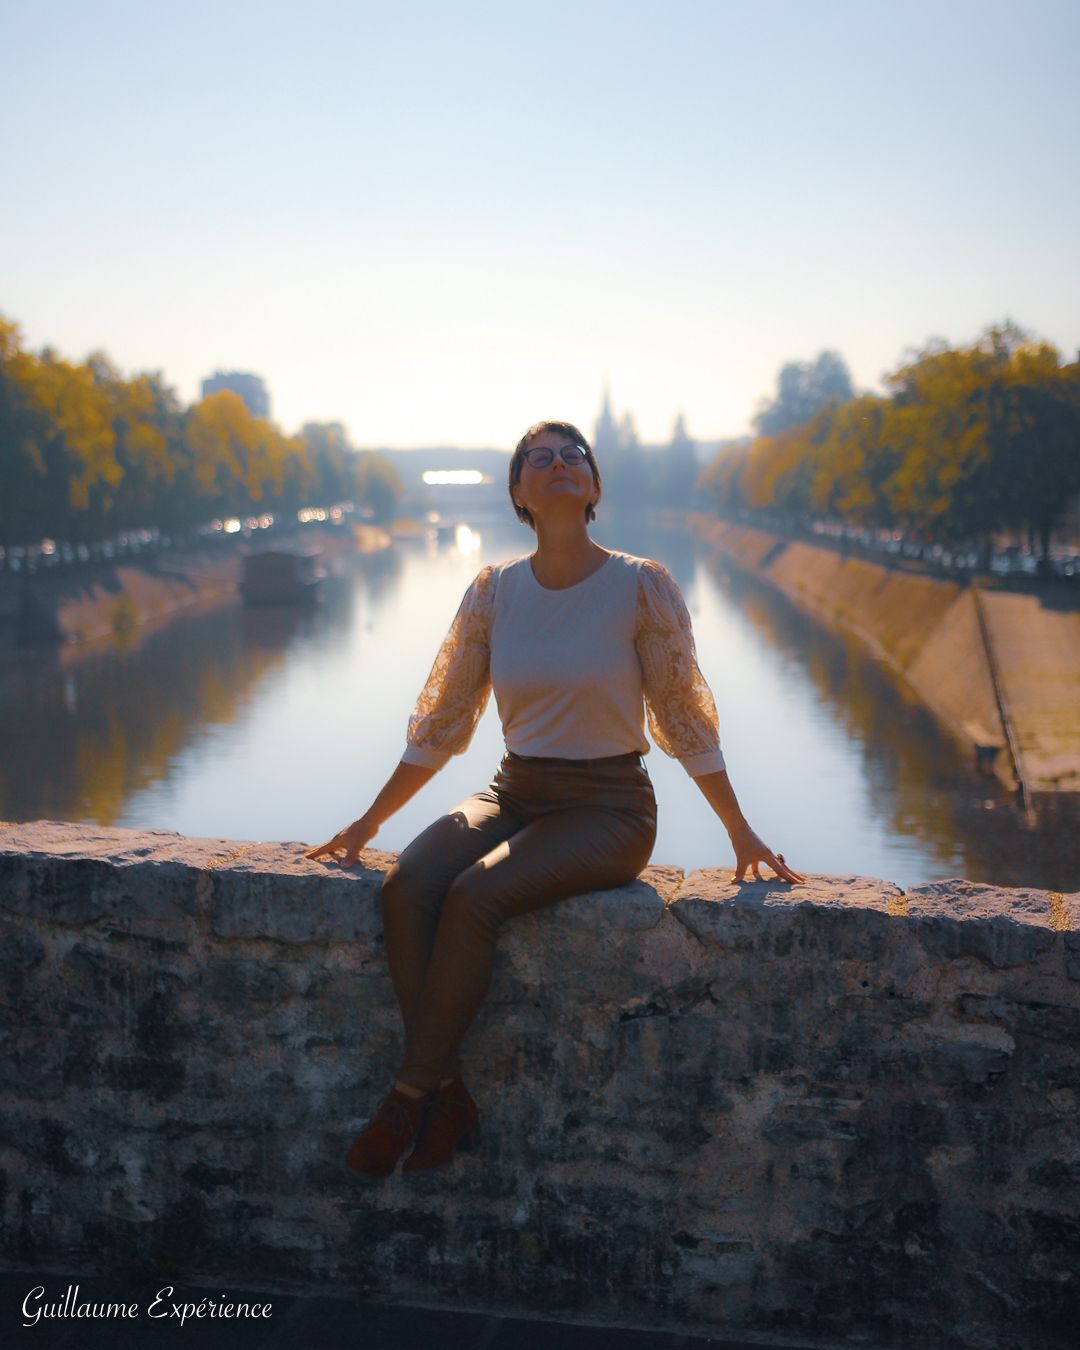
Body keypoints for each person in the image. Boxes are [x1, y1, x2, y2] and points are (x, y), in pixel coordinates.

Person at [304, 419, 806, 1179]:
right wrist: (369, 821)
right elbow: (443, 724)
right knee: (408, 885)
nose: (559, 463)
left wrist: (740, 829)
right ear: (518, 495)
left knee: (474, 898)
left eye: (575, 455)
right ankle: (451, 1094)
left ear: (594, 486)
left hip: (610, 809)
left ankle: (408, 1097)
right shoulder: (492, 591)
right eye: (538, 458)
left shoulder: (642, 585)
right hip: (516, 790)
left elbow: (683, 720)